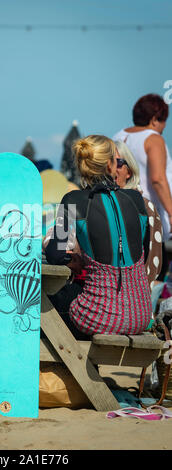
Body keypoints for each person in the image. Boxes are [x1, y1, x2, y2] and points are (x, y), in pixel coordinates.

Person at [44, 135, 152, 339]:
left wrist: (73, 259)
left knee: (49, 297)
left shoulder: (73, 200)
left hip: (100, 316)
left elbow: (55, 255)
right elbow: (142, 253)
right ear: (111, 164)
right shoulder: (136, 199)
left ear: (81, 165)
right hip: (141, 314)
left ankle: (63, 369)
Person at [112, 94, 172, 280]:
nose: (164, 128)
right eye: (164, 121)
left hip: (120, 209)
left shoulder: (118, 136)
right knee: (154, 272)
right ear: (155, 119)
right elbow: (158, 179)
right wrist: (171, 212)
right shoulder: (153, 139)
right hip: (148, 214)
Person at [114, 140, 163, 290]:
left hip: (130, 297)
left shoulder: (143, 206)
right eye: (102, 161)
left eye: (117, 162)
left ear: (129, 171)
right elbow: (58, 249)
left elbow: (152, 263)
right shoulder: (74, 200)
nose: (109, 167)